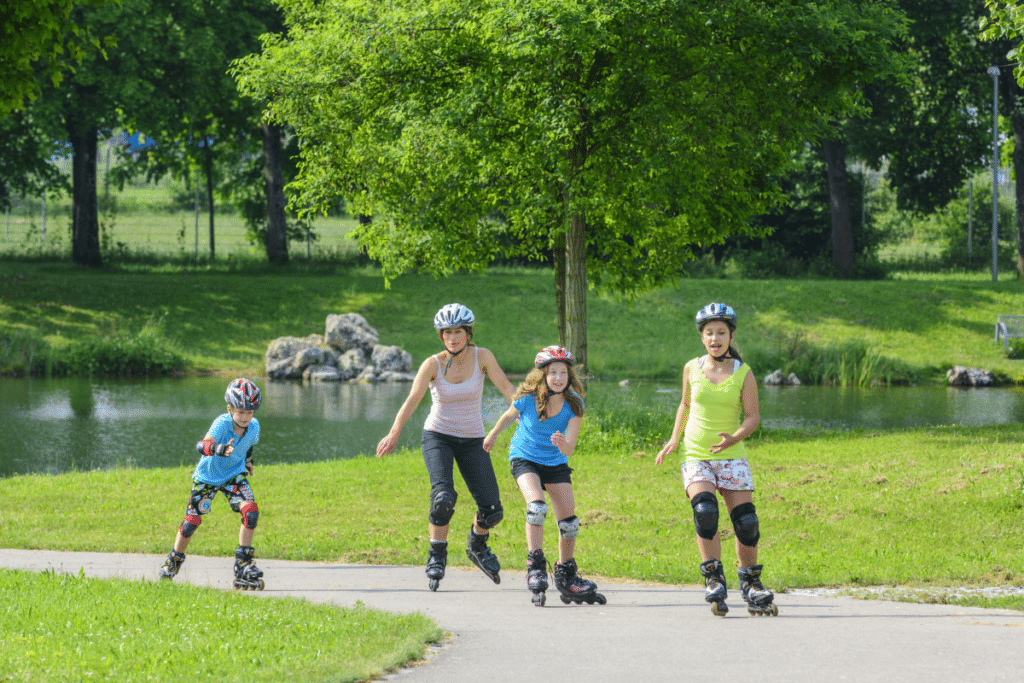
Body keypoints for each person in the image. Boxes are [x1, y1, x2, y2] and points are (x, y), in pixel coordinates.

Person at [376, 303, 516, 591]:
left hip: (473, 439)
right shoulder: (433, 364)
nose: (452, 337)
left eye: (458, 331)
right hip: (438, 436)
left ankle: (477, 544)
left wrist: (532, 410)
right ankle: (436, 555)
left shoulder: (483, 357)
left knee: (492, 511)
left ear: (468, 333)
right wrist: (394, 433)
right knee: (443, 497)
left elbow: (511, 393)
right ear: (441, 336)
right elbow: (412, 400)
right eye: (447, 332)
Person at [655, 303, 777, 616]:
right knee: (705, 510)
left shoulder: (743, 373)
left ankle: (751, 583)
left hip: (731, 454)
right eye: (709, 333)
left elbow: (752, 417)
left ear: (731, 335)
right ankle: (713, 578)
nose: (715, 338)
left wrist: (735, 438)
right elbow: (684, 404)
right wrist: (673, 439)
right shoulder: (691, 368)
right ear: (702, 337)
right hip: (696, 453)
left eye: (721, 332)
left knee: (746, 522)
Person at [483, 345, 605, 607]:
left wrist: (563, 444)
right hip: (524, 457)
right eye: (553, 373)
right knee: (537, 507)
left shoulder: (574, 405)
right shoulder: (528, 398)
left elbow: (571, 447)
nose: (558, 378)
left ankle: (565, 573)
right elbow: (507, 416)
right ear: (543, 376)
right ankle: (536, 565)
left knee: (570, 522)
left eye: (563, 373)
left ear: (570, 376)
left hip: (555, 461)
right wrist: (492, 435)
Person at [159, 378, 266, 590]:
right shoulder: (222, 423)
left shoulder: (254, 427)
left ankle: (243, 564)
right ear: (229, 409)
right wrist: (218, 449)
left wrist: (247, 461)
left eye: (250, 412)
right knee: (191, 522)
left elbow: (248, 446)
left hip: (234, 475)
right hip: (207, 478)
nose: (245, 417)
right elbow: (202, 444)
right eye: (240, 412)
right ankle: (174, 559)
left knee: (251, 512)